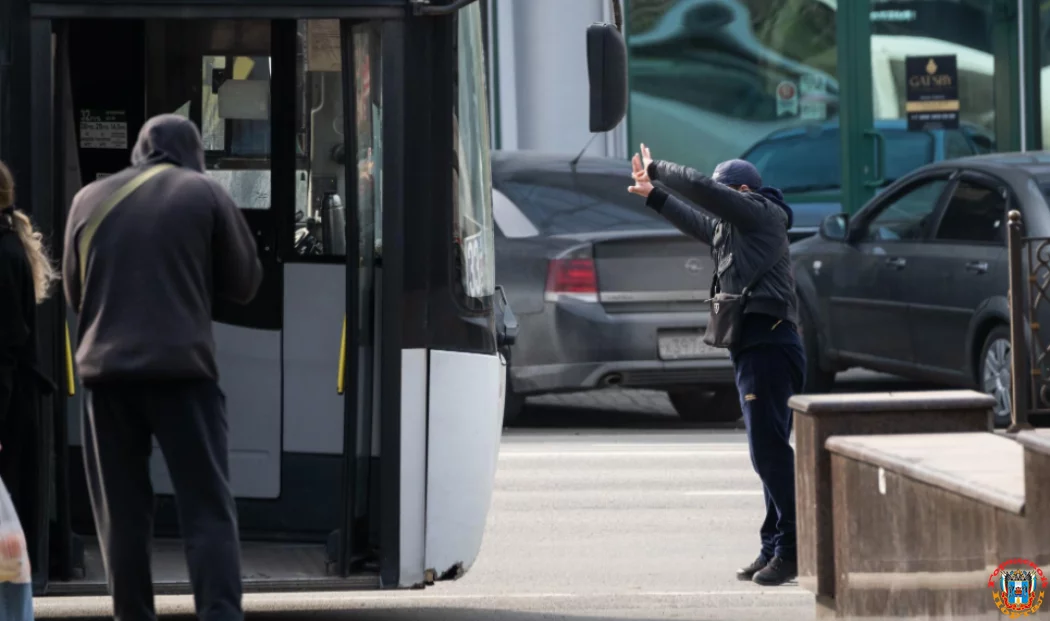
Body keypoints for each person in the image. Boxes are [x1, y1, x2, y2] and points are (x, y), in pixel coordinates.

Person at [62, 114, 263, 620]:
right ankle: (219, 614)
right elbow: (245, 282)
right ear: (192, 151)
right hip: (183, 375)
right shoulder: (204, 193)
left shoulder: (88, 199)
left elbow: (73, 292)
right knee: (206, 510)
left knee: (123, 517)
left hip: (106, 381)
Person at [627, 145, 804, 587]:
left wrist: (658, 169)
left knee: (768, 453)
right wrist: (655, 194)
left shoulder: (759, 213)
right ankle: (773, 546)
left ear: (743, 192)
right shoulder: (733, 230)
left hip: (770, 341)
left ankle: (795, 548)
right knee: (769, 451)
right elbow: (697, 220)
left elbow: (704, 193)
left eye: (726, 198)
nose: (719, 208)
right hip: (754, 345)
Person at [0, 160, 58, 576]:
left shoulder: (2, 254)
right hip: (15, 400)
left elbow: (5, 344)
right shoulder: (10, 247)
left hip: (6, 404)